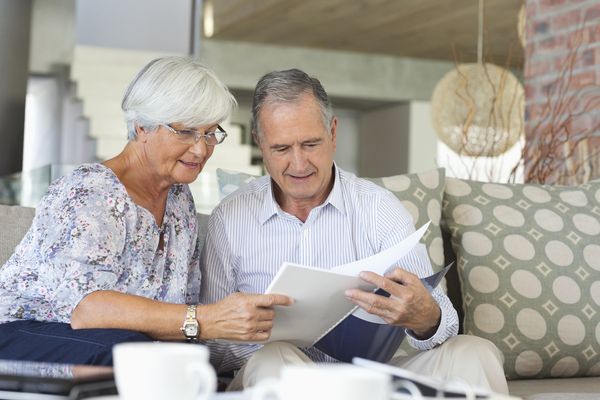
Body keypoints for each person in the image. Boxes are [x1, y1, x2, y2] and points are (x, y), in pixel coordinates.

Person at [201, 68, 508, 393]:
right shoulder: (230, 218)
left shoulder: (377, 207)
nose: (299, 163)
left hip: (369, 376)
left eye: (310, 143)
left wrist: (424, 316)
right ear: (260, 143)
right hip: (278, 373)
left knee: (474, 353)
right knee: (273, 359)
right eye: (281, 149)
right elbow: (212, 345)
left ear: (333, 133)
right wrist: (251, 330)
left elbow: (443, 318)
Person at [0, 57, 292, 366]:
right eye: (185, 132)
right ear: (142, 127)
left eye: (209, 133)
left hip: (120, 341)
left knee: (185, 357)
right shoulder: (90, 191)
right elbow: (87, 309)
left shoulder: (179, 199)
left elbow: (176, 311)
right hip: (23, 333)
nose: (201, 149)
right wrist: (205, 320)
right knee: (136, 356)